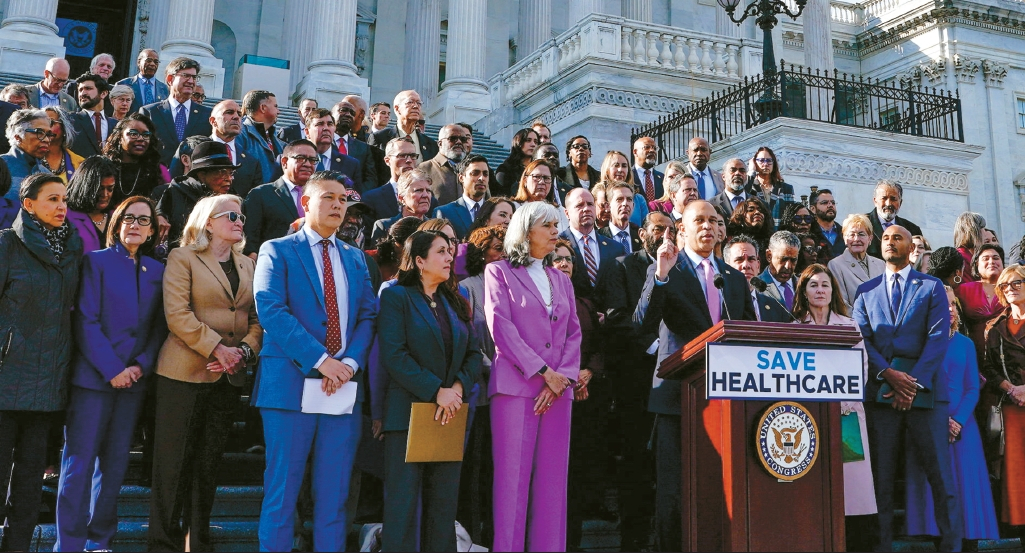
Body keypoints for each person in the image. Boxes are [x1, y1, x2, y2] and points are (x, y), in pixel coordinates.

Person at [252, 172, 376, 552]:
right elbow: (270, 309)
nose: (338, 205)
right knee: (282, 492)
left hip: (342, 387)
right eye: (329, 198)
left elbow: (368, 316)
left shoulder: (355, 257)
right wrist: (322, 360)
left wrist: (349, 363)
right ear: (305, 203)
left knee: (334, 495)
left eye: (343, 200)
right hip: (291, 386)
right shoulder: (277, 250)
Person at [634, 200, 754, 551]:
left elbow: (747, 332)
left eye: (713, 221)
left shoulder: (733, 277)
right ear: (681, 230)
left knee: (722, 487)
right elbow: (642, 323)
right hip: (678, 397)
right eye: (698, 220)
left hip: (727, 400)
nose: (707, 226)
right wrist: (661, 275)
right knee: (674, 492)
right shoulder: (667, 268)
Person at [148, 194, 261, 551]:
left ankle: (196, 543)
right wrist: (218, 349)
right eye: (231, 215)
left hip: (228, 377)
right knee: (173, 466)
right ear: (208, 222)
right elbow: (177, 314)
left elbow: (256, 320)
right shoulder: (182, 257)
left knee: (208, 466)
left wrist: (243, 351)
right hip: (183, 375)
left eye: (241, 217)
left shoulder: (247, 264)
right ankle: (163, 545)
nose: (239, 221)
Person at [56, 195, 166, 551]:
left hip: (133, 383)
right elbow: (85, 320)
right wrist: (113, 369)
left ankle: (99, 541)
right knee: (79, 464)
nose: (135, 225)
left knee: (116, 465)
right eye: (129, 218)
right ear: (117, 224)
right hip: (93, 380)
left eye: (144, 220)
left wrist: (140, 366)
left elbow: (158, 328)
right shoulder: (96, 261)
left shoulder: (157, 270)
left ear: (152, 231)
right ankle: (69, 545)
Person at [852, 224, 962, 552]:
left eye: (897, 237)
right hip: (881, 394)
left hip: (925, 395)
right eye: (885, 238)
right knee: (881, 480)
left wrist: (910, 385)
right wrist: (889, 373)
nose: (890, 242)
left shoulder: (931, 287)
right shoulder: (865, 291)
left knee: (941, 479)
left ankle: (951, 546)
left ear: (910, 247)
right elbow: (862, 339)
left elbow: (938, 338)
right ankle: (881, 546)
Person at [485, 201, 581, 552]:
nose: (556, 231)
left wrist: (560, 379)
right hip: (516, 389)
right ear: (526, 232)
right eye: (548, 225)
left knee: (553, 487)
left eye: (557, 225)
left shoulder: (561, 279)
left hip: (558, 392)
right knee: (511, 486)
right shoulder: (498, 272)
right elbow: (501, 326)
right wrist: (543, 372)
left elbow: (574, 333)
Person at [377, 230, 482, 551]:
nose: (450, 257)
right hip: (407, 417)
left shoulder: (456, 300)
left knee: (443, 509)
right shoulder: (396, 298)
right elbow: (395, 355)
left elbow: (474, 353)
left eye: (450, 251)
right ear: (420, 261)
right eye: (441, 252)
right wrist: (437, 390)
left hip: (448, 415)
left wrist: (457, 388)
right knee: (402, 508)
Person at [1, 175, 83, 549]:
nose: (61, 206)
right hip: (6, 377)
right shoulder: (6, 244)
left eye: (64, 199)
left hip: (49, 380)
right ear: (28, 204)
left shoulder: (72, 249)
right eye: (52, 198)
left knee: (30, 486)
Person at [599, 212, 674, 549]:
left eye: (671, 229)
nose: (665, 234)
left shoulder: (681, 267)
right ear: (642, 234)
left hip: (678, 376)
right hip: (636, 378)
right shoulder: (622, 266)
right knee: (636, 460)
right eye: (658, 229)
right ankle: (633, 538)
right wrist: (655, 346)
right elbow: (616, 317)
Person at [905, 285, 999, 543]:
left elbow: (972, 388)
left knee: (966, 487)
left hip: (963, 427)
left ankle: (968, 542)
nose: (949, 309)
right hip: (928, 422)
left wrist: (957, 421)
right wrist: (938, 420)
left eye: (953, 304)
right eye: (942, 303)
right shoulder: (916, 345)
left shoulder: (966, 344)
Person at [549, 237, 606, 551]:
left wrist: (589, 372)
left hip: (585, 399)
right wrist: (571, 378)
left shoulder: (585, 304)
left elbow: (599, 346)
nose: (564, 263)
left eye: (568, 259)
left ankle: (573, 542)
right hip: (552, 396)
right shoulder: (539, 299)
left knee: (578, 473)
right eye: (557, 258)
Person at [457, 225, 505, 543]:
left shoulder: (509, 283)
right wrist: (495, 368)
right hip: (481, 390)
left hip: (508, 390)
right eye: (497, 248)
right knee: (474, 468)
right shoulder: (467, 287)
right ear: (481, 252)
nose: (502, 254)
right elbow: (471, 337)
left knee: (496, 468)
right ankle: (472, 536)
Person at [982, 265, 1025, 532]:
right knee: (1016, 471)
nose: (1010, 289)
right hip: (1011, 406)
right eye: (1005, 285)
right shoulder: (994, 326)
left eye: (1017, 283)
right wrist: (1012, 389)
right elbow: (988, 368)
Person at [241, 140, 317, 257]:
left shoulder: (319, 197)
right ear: (284, 162)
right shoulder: (261, 194)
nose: (307, 164)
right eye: (301, 158)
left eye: (312, 160)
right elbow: (250, 240)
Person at [156, 141, 238, 249]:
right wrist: (158, 216)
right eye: (222, 172)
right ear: (202, 174)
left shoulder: (232, 199)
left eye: (231, 173)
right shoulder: (174, 193)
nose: (229, 179)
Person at [138, 57, 213, 167]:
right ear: (170, 79)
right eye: (186, 76)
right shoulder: (149, 112)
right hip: (158, 174)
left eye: (194, 77)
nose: (191, 81)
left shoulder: (207, 114)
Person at [560, 186, 624, 302]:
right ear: (567, 213)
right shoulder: (557, 245)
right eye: (579, 205)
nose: (586, 209)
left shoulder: (616, 248)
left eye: (590, 204)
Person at [102, 113, 169, 207]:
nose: (141, 139)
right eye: (133, 134)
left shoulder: (159, 171)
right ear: (120, 137)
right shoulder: (104, 168)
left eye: (146, 135)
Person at [723, 234, 791, 322]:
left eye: (751, 259)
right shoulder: (721, 303)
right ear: (726, 266)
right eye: (739, 260)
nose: (746, 265)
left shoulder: (777, 306)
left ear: (758, 266)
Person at [361, 137, 423, 229]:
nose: (409, 160)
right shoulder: (371, 199)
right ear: (387, 160)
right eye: (402, 155)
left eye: (413, 156)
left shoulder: (428, 199)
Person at [954, 244, 1004, 360]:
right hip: (975, 355)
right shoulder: (963, 290)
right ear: (976, 264)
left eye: (996, 258)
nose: (991, 261)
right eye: (985, 259)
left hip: (1009, 355)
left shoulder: (1012, 289)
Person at [827, 213, 886, 311]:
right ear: (845, 239)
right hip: (853, 319)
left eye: (861, 234)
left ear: (870, 238)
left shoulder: (881, 264)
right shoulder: (835, 265)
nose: (856, 239)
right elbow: (841, 303)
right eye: (852, 234)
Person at [367, 90, 438, 165]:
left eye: (419, 103)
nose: (416, 106)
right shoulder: (379, 138)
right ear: (397, 109)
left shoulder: (430, 144)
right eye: (410, 102)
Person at [65, 156, 118, 253]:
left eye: (110, 189)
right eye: (99, 189)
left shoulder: (117, 217)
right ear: (85, 187)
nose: (105, 194)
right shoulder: (66, 216)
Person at [433, 153, 490, 240]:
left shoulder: (494, 211)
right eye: (475, 173)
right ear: (461, 177)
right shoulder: (444, 213)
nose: (482, 178)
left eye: (485, 174)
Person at [370, 168, 433, 242]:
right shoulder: (385, 226)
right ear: (401, 198)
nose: (425, 195)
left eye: (428, 191)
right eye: (418, 190)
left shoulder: (435, 227)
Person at [2, 108, 53, 201]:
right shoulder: (2, 167)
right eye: (39, 133)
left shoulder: (47, 174)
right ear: (18, 137)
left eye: (49, 134)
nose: (46, 140)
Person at [865, 180, 923, 259]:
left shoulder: (912, 230)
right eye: (884, 198)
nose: (888, 203)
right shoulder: (862, 224)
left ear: (900, 203)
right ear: (875, 201)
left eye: (893, 199)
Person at [237, 89, 285, 183]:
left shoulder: (274, 138)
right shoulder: (240, 133)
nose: (278, 111)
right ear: (263, 108)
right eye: (275, 106)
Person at [331, 98, 379, 193]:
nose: (348, 115)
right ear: (331, 115)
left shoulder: (363, 148)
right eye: (343, 110)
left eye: (352, 113)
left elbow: (371, 179)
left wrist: (356, 196)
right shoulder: (323, 143)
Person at [305, 107, 361, 182]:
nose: (326, 128)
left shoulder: (351, 164)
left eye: (330, 124)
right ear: (307, 132)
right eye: (320, 124)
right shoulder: (297, 160)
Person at [419, 124, 470, 204]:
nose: (459, 142)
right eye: (452, 138)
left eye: (463, 139)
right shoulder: (423, 169)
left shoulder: (475, 169)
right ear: (440, 144)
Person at [70, 73, 117, 158]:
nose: (82, 93)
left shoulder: (116, 124)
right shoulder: (70, 120)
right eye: (80, 90)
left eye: (88, 88)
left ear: (103, 93)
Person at [745, 146, 794, 226]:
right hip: (756, 231)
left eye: (769, 160)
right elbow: (741, 199)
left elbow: (790, 216)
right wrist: (751, 171)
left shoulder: (785, 188)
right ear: (755, 163)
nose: (765, 164)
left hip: (779, 231)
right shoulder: (750, 187)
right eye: (761, 160)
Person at [514, 159, 569, 228]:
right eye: (536, 177)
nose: (542, 182)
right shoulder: (513, 208)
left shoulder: (560, 211)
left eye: (546, 178)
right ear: (525, 180)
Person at [755, 230, 800, 313]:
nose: (788, 266)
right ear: (769, 256)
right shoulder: (756, 288)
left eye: (793, 260)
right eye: (783, 259)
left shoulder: (804, 286)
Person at [116, 49, 169, 114]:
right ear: (139, 62)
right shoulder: (123, 84)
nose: (152, 64)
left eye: (156, 62)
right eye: (148, 60)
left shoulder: (165, 89)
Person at [598, 180, 643, 254]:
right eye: (619, 199)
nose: (625, 203)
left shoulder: (641, 236)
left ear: (633, 206)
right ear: (608, 206)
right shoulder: (599, 237)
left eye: (629, 199)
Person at [42, 106, 84, 184]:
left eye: (50, 122)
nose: (45, 128)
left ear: (64, 127)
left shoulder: (79, 163)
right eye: (42, 123)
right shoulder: (30, 159)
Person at [494, 128, 540, 197]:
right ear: (519, 142)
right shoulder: (505, 169)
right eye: (528, 140)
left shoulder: (539, 169)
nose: (533, 144)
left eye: (536, 142)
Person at [809, 188, 845, 259]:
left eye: (833, 202)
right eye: (825, 202)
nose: (830, 205)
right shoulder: (810, 233)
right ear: (813, 209)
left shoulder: (844, 233)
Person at [953, 211, 986, 283]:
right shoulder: (960, 258)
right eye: (983, 228)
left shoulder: (972, 256)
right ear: (974, 232)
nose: (985, 232)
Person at [632, 136, 665, 204]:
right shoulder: (628, 176)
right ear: (635, 152)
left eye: (654, 148)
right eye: (647, 147)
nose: (652, 150)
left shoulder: (663, 178)